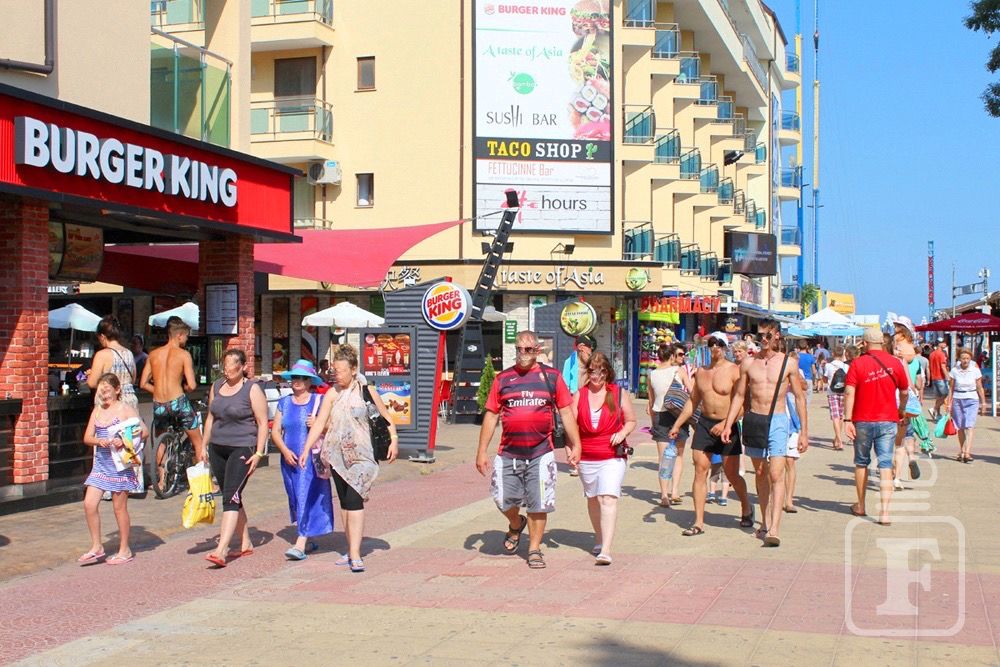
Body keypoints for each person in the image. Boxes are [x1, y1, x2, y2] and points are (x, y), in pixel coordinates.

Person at [475, 330, 581, 570]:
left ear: (537, 350)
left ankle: (534, 548)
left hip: (541, 452)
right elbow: (491, 415)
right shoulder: (503, 379)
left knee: (539, 502)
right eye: (520, 349)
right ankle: (516, 523)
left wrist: (576, 444)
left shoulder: (551, 377)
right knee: (502, 499)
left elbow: (566, 412)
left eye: (528, 349)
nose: (523, 353)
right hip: (508, 452)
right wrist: (481, 451)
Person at [301, 344, 398, 573]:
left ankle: (355, 554)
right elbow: (319, 424)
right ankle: (350, 547)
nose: (337, 375)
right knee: (345, 503)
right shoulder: (332, 394)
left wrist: (394, 440)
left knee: (355, 501)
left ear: (353, 369)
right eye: (335, 370)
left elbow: (386, 417)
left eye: (341, 371)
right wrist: (306, 449)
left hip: (362, 456)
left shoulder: (366, 391)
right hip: (337, 456)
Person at [721, 319, 808, 547]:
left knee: (776, 474)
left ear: (777, 335)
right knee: (760, 472)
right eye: (760, 336)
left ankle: (774, 528)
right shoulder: (749, 363)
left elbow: (799, 398)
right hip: (755, 419)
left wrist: (804, 432)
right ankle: (765, 520)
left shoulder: (788, 363)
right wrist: (729, 423)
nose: (764, 340)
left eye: (768, 335)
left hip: (778, 420)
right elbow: (739, 395)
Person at [669, 333, 752, 536]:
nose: (715, 347)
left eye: (719, 344)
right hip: (705, 424)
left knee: (731, 474)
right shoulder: (701, 372)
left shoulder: (735, 371)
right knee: (700, 470)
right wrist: (677, 424)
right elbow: (693, 401)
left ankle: (746, 506)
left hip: (728, 425)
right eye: (712, 344)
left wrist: (726, 423)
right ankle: (698, 522)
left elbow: (743, 404)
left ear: (725, 347)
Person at [202, 349, 270, 568]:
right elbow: (210, 417)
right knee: (231, 494)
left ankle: (221, 550)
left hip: (242, 448)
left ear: (243, 367)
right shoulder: (217, 387)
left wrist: (259, 452)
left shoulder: (252, 389)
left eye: (232, 365)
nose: (227, 369)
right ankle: (246, 542)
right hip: (217, 448)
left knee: (230, 497)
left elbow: (262, 423)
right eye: (225, 364)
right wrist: (203, 445)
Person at [571, 351, 635, 565]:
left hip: (612, 456)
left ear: (607, 372)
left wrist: (622, 433)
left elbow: (631, 420)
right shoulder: (580, 395)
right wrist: (572, 449)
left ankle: (606, 550)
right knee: (593, 498)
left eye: (601, 372)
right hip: (587, 456)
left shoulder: (618, 393)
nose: (596, 376)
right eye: (592, 371)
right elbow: (571, 425)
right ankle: (599, 537)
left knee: (608, 497)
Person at [78, 373, 148, 566]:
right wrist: (99, 440)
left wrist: (123, 440)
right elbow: (87, 437)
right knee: (89, 504)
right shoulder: (97, 410)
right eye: (101, 391)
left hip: (120, 466)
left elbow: (143, 431)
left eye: (107, 390)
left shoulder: (125, 409)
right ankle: (97, 546)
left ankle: (125, 549)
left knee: (119, 508)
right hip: (101, 465)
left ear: (117, 390)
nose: (104, 395)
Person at [843, 327, 908, 526]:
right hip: (888, 419)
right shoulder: (895, 363)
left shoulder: (857, 363)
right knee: (886, 464)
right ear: (882, 342)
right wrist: (901, 409)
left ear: (864, 343)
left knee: (861, 462)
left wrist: (847, 420)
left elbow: (849, 392)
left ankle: (861, 505)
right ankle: (885, 513)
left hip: (862, 419)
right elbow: (905, 391)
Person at [271, 359, 334, 561]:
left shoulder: (319, 401)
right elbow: (275, 432)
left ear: (309, 381)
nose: (296, 381)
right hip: (288, 459)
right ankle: (308, 537)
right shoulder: (284, 402)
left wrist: (319, 424)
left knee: (305, 494)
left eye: (301, 378)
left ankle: (300, 543)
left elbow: (333, 427)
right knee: (296, 497)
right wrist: (284, 451)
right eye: (294, 377)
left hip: (310, 460)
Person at [140, 319, 206, 469]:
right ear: (179, 335)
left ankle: (161, 480)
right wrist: (185, 388)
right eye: (186, 336)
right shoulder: (184, 355)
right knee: (198, 442)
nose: (187, 339)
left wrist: (158, 390)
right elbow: (192, 385)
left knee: (161, 443)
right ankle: (202, 479)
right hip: (178, 402)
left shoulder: (153, 354)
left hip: (159, 404)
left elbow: (143, 383)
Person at [647, 342, 692, 507]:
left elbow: (651, 402)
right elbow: (692, 391)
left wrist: (653, 423)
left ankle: (664, 495)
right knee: (678, 455)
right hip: (679, 415)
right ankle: (675, 491)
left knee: (663, 458)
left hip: (660, 415)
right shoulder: (678, 371)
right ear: (672, 356)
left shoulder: (651, 375)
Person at [562, 334, 595, 477]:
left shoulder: (592, 364)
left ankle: (585, 459)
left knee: (585, 432)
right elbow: (564, 385)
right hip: (571, 402)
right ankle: (574, 463)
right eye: (589, 350)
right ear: (581, 348)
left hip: (586, 401)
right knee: (570, 434)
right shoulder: (569, 363)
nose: (591, 352)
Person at [86, 316, 138, 409]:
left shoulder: (102, 354)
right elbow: (133, 380)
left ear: (102, 337)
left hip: (111, 403)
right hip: (130, 403)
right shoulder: (129, 353)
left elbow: (92, 383)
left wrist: (90, 375)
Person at [945, 348, 986, 463]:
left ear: (970, 359)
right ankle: (962, 450)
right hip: (958, 399)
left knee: (969, 425)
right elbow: (951, 388)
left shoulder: (975, 370)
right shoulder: (954, 371)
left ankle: (967, 452)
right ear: (959, 359)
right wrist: (949, 403)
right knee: (960, 426)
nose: (965, 361)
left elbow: (979, 387)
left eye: (968, 358)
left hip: (972, 399)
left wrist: (983, 402)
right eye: (963, 358)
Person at [783, 367, 805, 513]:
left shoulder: (792, 369)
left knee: (789, 462)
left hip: (791, 424)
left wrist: (790, 381)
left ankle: (789, 500)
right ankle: (774, 497)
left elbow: (804, 386)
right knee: (771, 465)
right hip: (772, 423)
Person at [824, 345, 850, 450]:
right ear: (843, 354)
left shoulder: (828, 366)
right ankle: (837, 438)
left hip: (832, 393)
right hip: (844, 392)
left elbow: (825, 379)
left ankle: (838, 440)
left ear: (833, 354)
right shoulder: (846, 366)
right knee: (841, 416)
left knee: (835, 416)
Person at [928, 338, 950, 419]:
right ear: (939, 344)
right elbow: (943, 366)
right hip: (941, 377)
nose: (945, 344)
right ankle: (934, 409)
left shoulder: (931, 354)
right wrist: (948, 377)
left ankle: (938, 414)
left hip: (934, 377)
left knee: (939, 397)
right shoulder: (941, 354)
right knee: (945, 394)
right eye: (943, 342)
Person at [796, 340, 816, 405]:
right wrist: (814, 380)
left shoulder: (796, 357)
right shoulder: (811, 357)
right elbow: (814, 371)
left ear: (798, 347)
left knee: (798, 399)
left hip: (798, 379)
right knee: (807, 399)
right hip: (808, 379)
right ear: (807, 346)